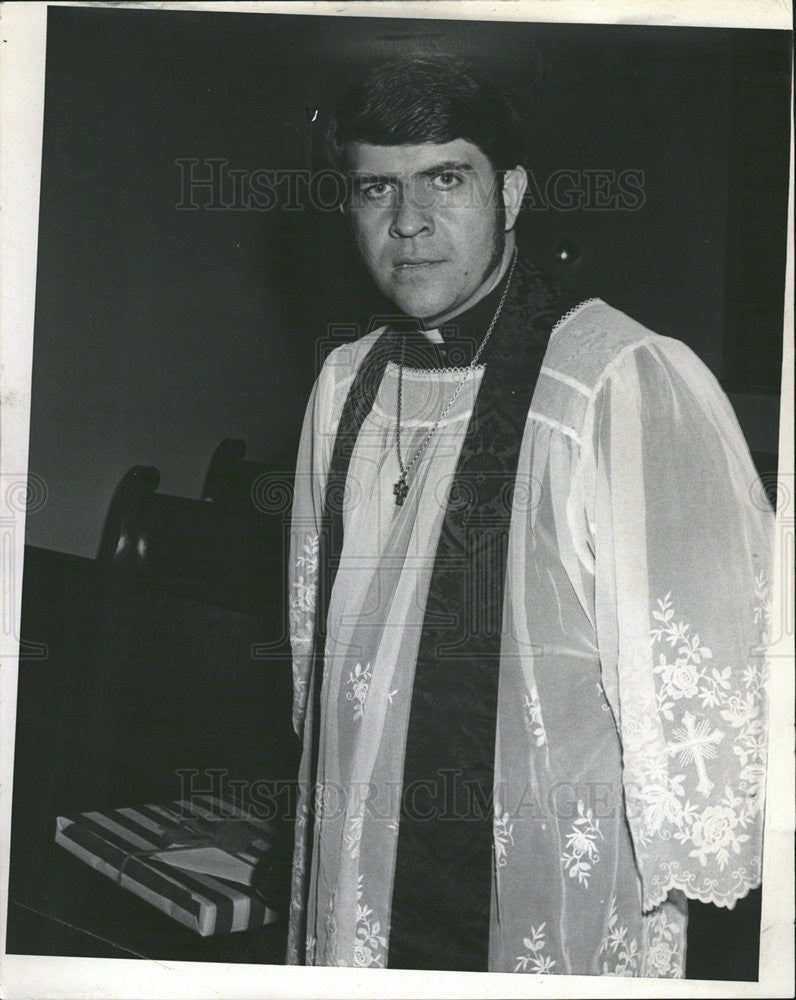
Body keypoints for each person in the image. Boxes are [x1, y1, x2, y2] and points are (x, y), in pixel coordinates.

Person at [285, 55, 773, 976]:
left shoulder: (614, 380)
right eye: (374, 190)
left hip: (545, 878)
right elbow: (325, 669)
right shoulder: (344, 384)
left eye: (445, 178)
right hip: (365, 852)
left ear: (510, 191)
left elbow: (710, 700)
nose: (409, 222)